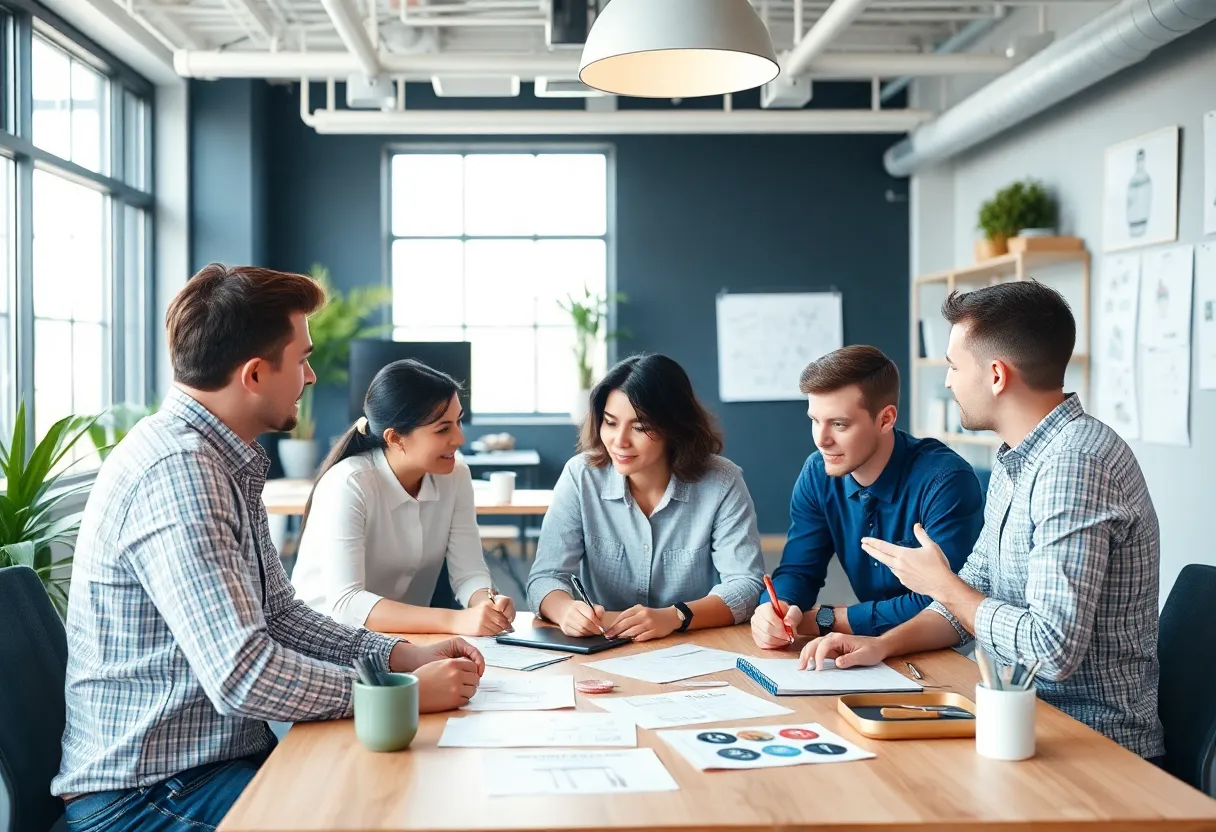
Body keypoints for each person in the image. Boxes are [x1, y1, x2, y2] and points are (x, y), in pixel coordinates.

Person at [52, 264, 485, 832]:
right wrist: (398, 694)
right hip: (148, 793)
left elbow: (279, 616)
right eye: (302, 359)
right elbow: (244, 675)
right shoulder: (181, 472)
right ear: (255, 374)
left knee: (402, 794)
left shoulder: (222, 458)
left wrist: (399, 656)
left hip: (208, 767)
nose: (311, 376)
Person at [800, 281, 1165, 760]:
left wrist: (943, 585)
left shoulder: (1074, 465)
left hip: (1091, 747)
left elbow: (1049, 650)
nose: (948, 382)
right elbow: (975, 589)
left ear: (995, 375)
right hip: (1015, 720)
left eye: (954, 367)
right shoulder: (1018, 459)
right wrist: (882, 645)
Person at [751, 346, 984, 648]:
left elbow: (948, 603)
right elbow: (799, 570)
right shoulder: (817, 473)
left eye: (839, 424)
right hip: (869, 649)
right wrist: (778, 607)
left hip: (950, 650)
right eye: (815, 420)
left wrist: (829, 619)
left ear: (886, 419)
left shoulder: (946, 481)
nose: (821, 440)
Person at [526, 354, 765, 642]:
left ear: (674, 426)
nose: (619, 441)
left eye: (639, 428)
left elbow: (745, 585)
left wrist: (675, 616)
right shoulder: (581, 476)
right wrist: (565, 610)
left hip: (691, 643)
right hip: (604, 643)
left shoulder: (722, 481)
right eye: (610, 423)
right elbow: (545, 577)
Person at [292, 359, 515, 635]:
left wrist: (486, 603)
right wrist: (455, 620)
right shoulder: (349, 483)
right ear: (395, 438)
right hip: (325, 641)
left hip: (403, 640)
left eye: (458, 421)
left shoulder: (456, 475)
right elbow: (347, 604)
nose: (460, 439)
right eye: (443, 429)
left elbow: (468, 571)